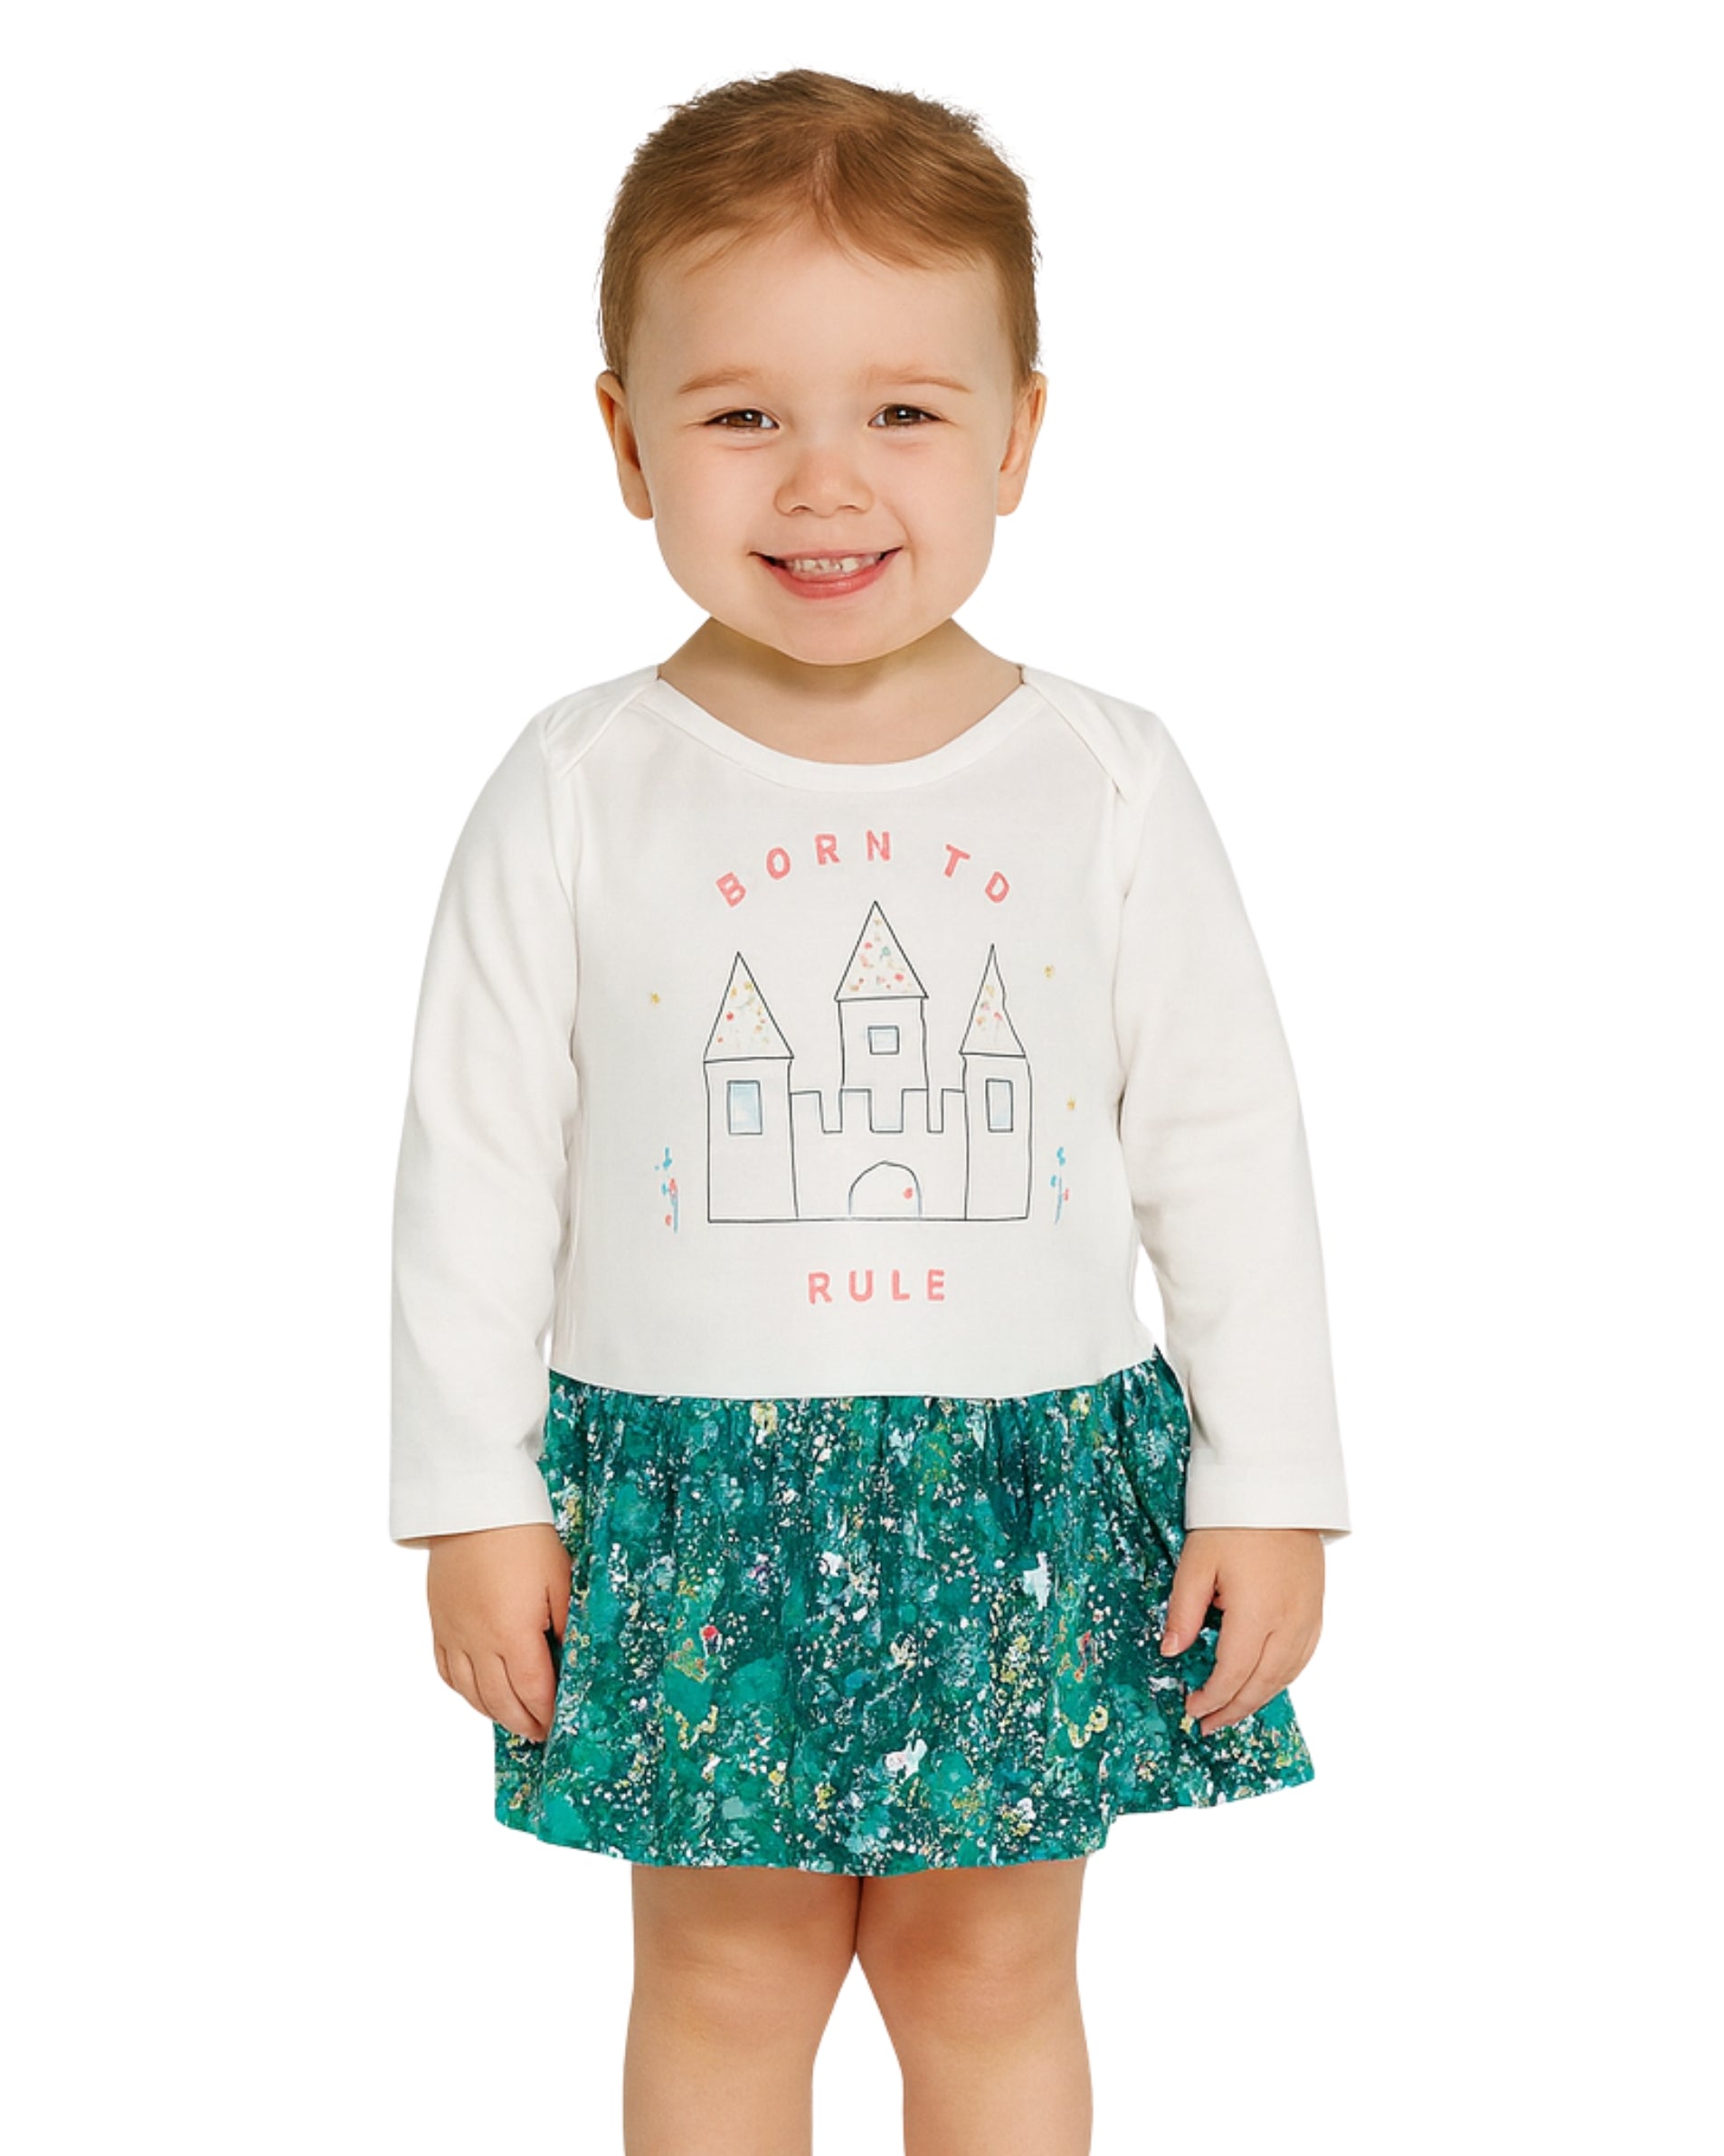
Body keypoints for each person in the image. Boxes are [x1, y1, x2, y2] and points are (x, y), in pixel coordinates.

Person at [388, 65, 1352, 2156]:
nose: (823, 481)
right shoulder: (579, 785)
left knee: (986, 1965)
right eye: (742, 414)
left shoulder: (1099, 775)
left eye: (902, 410)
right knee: (724, 1972)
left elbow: (1220, 1142)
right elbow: (475, 1162)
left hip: (1015, 1489)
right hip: (685, 1492)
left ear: (1015, 434)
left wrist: (1266, 1474)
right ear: (624, 442)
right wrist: (470, 1493)